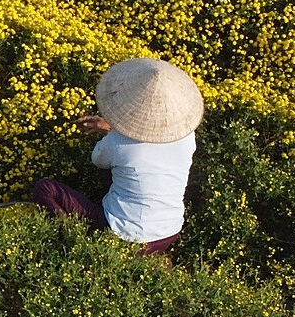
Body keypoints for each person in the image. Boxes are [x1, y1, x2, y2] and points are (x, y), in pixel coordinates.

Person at [32, 57, 203, 255]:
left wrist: (113, 131)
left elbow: (97, 159)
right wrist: (113, 129)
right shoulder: (186, 135)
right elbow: (148, 146)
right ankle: (152, 253)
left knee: (44, 188)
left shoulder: (117, 142)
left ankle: (77, 239)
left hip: (123, 234)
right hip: (169, 232)